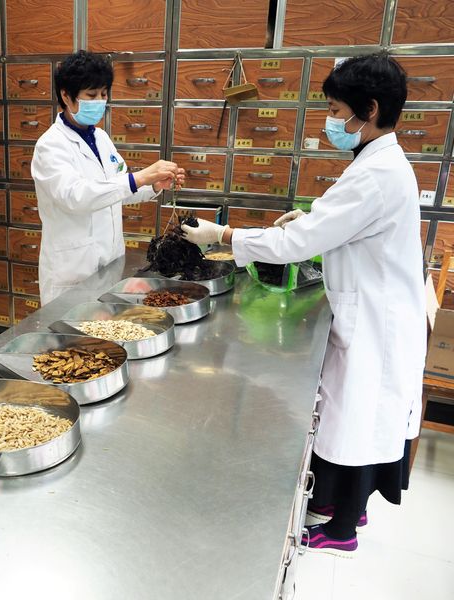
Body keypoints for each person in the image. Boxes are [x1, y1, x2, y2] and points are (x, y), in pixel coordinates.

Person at [182, 54, 425, 556]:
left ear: (370, 109)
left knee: (353, 421)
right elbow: (341, 225)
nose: (330, 121)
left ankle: (340, 531)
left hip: (378, 323)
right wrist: (314, 217)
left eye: (336, 110)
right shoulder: (378, 162)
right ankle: (346, 513)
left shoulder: (376, 173)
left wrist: (222, 233)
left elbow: (298, 245)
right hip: (377, 310)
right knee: (355, 419)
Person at [32, 51, 185, 304]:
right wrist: (141, 176)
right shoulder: (51, 146)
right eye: (91, 95)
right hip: (73, 271)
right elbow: (77, 197)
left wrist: (153, 184)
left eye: (103, 94)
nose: (100, 101)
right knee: (75, 341)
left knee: (106, 334)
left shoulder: (100, 138)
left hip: (110, 264)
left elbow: (118, 186)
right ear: (66, 96)